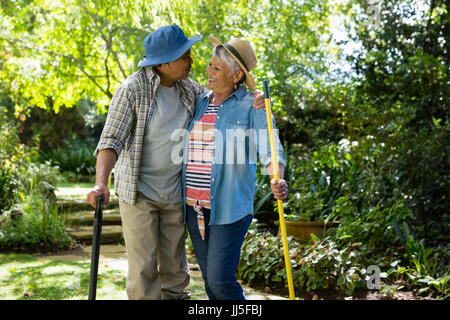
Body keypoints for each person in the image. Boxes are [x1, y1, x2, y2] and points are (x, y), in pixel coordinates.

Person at [86, 25, 265, 300]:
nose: (192, 60)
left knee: (175, 271)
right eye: (185, 55)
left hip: (175, 194)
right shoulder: (132, 89)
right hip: (139, 192)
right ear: (165, 62)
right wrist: (101, 183)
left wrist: (256, 101)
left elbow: (225, 98)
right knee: (144, 268)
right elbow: (111, 139)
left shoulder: (190, 90)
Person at [182, 35, 288, 300]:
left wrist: (277, 177)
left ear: (237, 75)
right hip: (194, 207)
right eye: (210, 65)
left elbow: (271, 148)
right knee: (210, 283)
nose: (209, 71)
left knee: (220, 281)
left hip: (228, 209)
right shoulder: (201, 101)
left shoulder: (253, 105)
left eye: (217, 68)